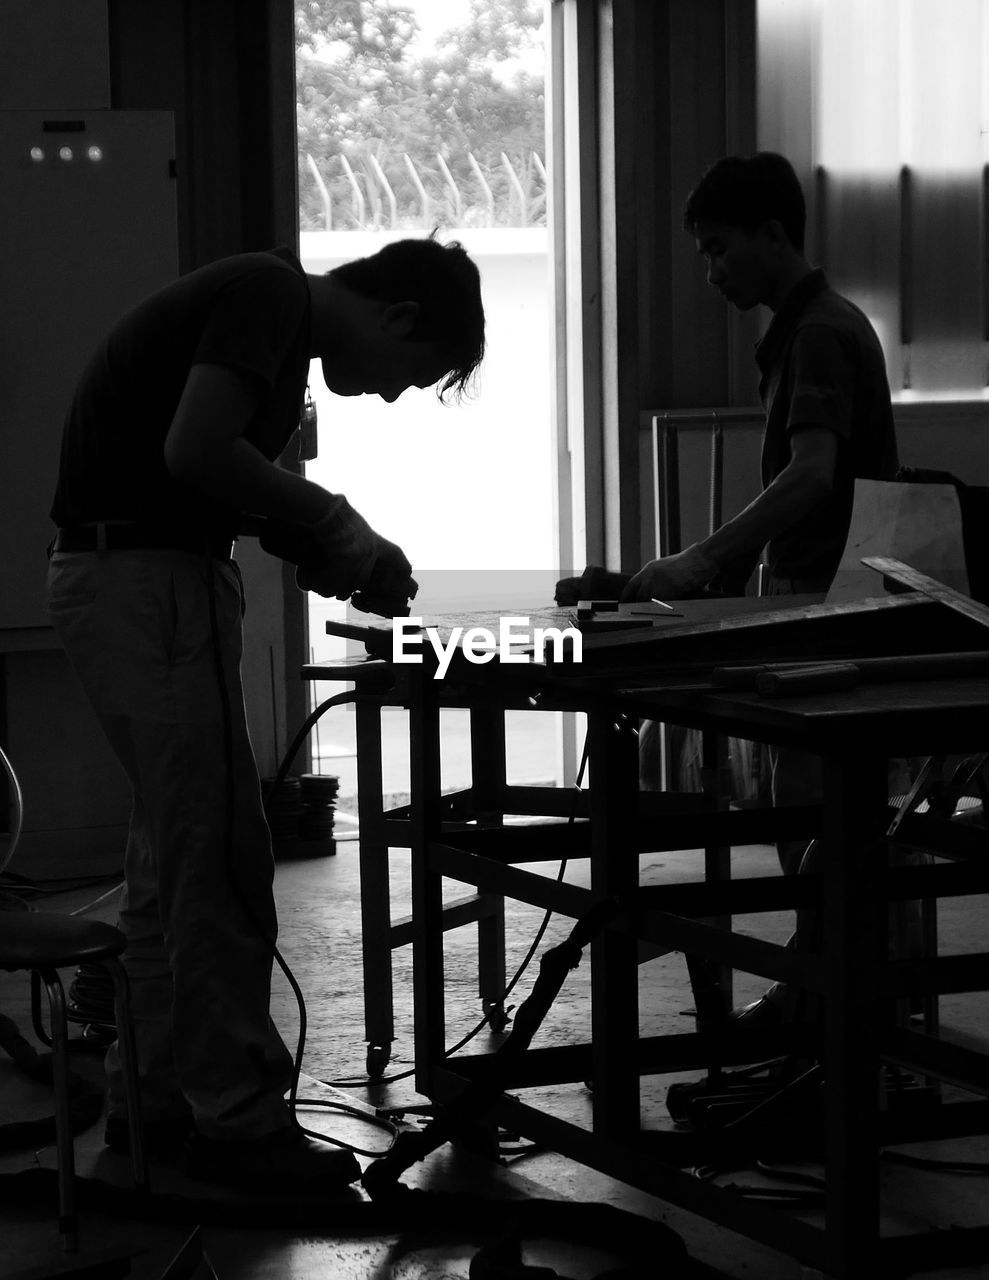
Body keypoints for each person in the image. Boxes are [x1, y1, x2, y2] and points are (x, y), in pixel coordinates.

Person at [46, 235, 485, 1190]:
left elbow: (199, 471)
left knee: (172, 860)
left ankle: (152, 1105)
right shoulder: (271, 294)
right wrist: (332, 519)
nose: (396, 394)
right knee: (221, 862)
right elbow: (198, 448)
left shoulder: (266, 312)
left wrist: (314, 544)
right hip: (150, 582)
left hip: (126, 572)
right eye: (414, 372)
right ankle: (239, 1126)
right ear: (399, 315)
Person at [622, 152, 899, 1022]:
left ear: (772, 235)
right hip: (818, 596)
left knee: (815, 816)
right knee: (811, 815)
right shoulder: (808, 327)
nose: (710, 270)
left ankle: (832, 1001)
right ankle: (835, 993)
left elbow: (813, 476)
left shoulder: (818, 331)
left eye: (717, 249)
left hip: (833, 606)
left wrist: (704, 559)